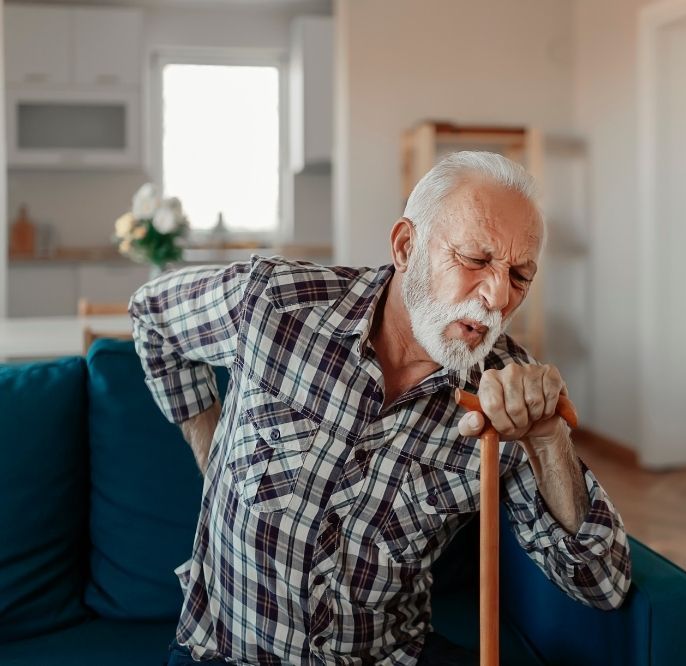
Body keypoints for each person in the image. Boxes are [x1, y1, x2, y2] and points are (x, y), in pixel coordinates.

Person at [131, 151, 631, 666]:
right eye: (476, 260)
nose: (497, 296)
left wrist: (546, 440)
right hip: (229, 653)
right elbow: (152, 316)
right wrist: (210, 450)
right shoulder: (275, 303)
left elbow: (602, 583)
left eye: (520, 276)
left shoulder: (503, 400)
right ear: (406, 246)